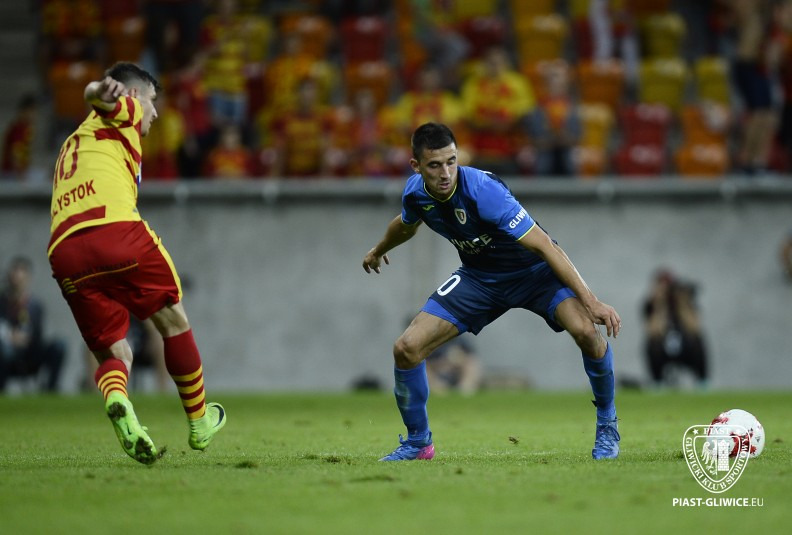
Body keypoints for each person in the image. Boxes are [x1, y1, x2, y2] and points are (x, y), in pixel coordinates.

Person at [362, 123, 622, 461]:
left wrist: (592, 301)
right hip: (480, 279)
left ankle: (607, 424)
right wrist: (378, 250)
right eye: (435, 165)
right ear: (416, 166)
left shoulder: (483, 191)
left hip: (534, 274)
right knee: (406, 348)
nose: (446, 173)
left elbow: (545, 246)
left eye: (451, 161)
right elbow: (405, 224)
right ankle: (418, 444)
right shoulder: (415, 193)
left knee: (586, 332)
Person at [47, 62, 226, 464]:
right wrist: (98, 89)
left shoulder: (76, 141)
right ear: (132, 95)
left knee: (115, 352)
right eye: (152, 100)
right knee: (173, 321)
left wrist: (97, 94)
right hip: (115, 232)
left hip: (64, 251)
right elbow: (95, 94)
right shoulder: (124, 109)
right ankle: (200, 420)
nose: (155, 112)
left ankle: (118, 400)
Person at [0, 256, 66, 393]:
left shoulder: (35, 305)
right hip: (6, 352)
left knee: (59, 345)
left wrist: (26, 337)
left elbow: (36, 333)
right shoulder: (2, 303)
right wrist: (9, 337)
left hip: (31, 353)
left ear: (27, 278)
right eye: (14, 276)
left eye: (21, 277)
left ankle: (51, 390)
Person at [642, 270, 708, 387]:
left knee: (699, 341)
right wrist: (660, 304)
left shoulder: (685, 303)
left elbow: (695, 328)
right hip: (663, 349)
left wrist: (682, 303)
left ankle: (702, 382)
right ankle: (657, 382)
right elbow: (653, 331)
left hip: (686, 348)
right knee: (652, 344)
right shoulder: (651, 305)